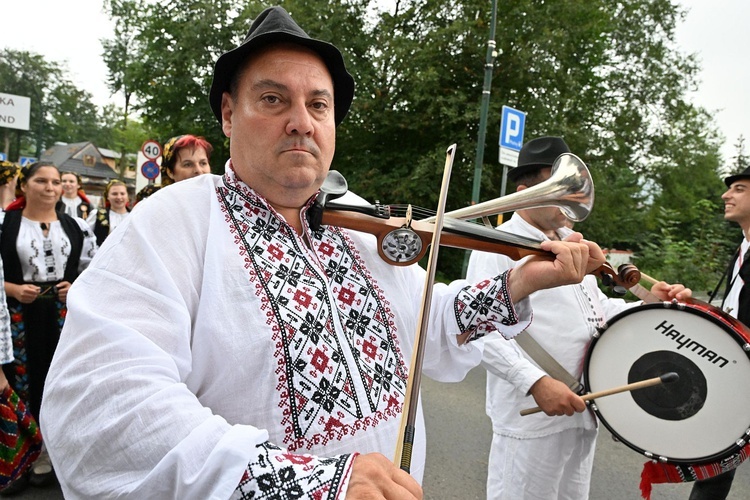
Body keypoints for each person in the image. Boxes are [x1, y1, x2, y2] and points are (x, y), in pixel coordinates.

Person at [40, 7, 603, 499]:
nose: (301, 122)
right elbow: (102, 405)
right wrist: (310, 484)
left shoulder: (358, 219)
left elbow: (422, 331)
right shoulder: (172, 221)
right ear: (229, 115)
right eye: (272, 99)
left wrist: (521, 282)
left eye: (319, 104)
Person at [467, 136, 691, 500]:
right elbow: (479, 330)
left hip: (583, 407)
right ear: (523, 193)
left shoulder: (574, 243)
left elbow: (597, 312)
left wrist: (653, 307)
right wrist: (536, 382)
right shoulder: (498, 247)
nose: (569, 198)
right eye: (556, 186)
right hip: (534, 413)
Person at [0, 162, 96, 491]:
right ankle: (18, 456)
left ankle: (49, 454)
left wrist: (76, 285)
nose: (50, 187)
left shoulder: (76, 226)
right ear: (24, 186)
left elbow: (96, 271)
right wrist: (12, 289)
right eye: (41, 180)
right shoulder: (6, 224)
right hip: (16, 316)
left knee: (59, 380)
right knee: (20, 382)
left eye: (55, 182)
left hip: (61, 315)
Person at [687, 167, 750, 499]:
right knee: (715, 465)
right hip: (737, 371)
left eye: (739, 189)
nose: (727, 195)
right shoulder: (744, 247)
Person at [93, 179, 131, 246]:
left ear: (127, 196)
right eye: (114, 194)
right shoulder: (97, 214)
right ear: (108, 196)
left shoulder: (133, 216)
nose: (119, 197)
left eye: (122, 193)